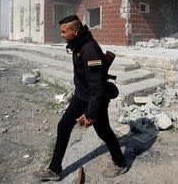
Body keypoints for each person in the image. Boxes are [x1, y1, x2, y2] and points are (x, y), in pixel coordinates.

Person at [35, 15, 127, 181]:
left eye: (64, 31)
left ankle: (120, 163)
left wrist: (91, 114)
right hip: (81, 96)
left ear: (75, 31)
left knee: (104, 132)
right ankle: (54, 169)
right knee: (63, 126)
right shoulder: (78, 45)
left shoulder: (90, 50)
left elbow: (97, 88)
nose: (61, 34)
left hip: (94, 100)